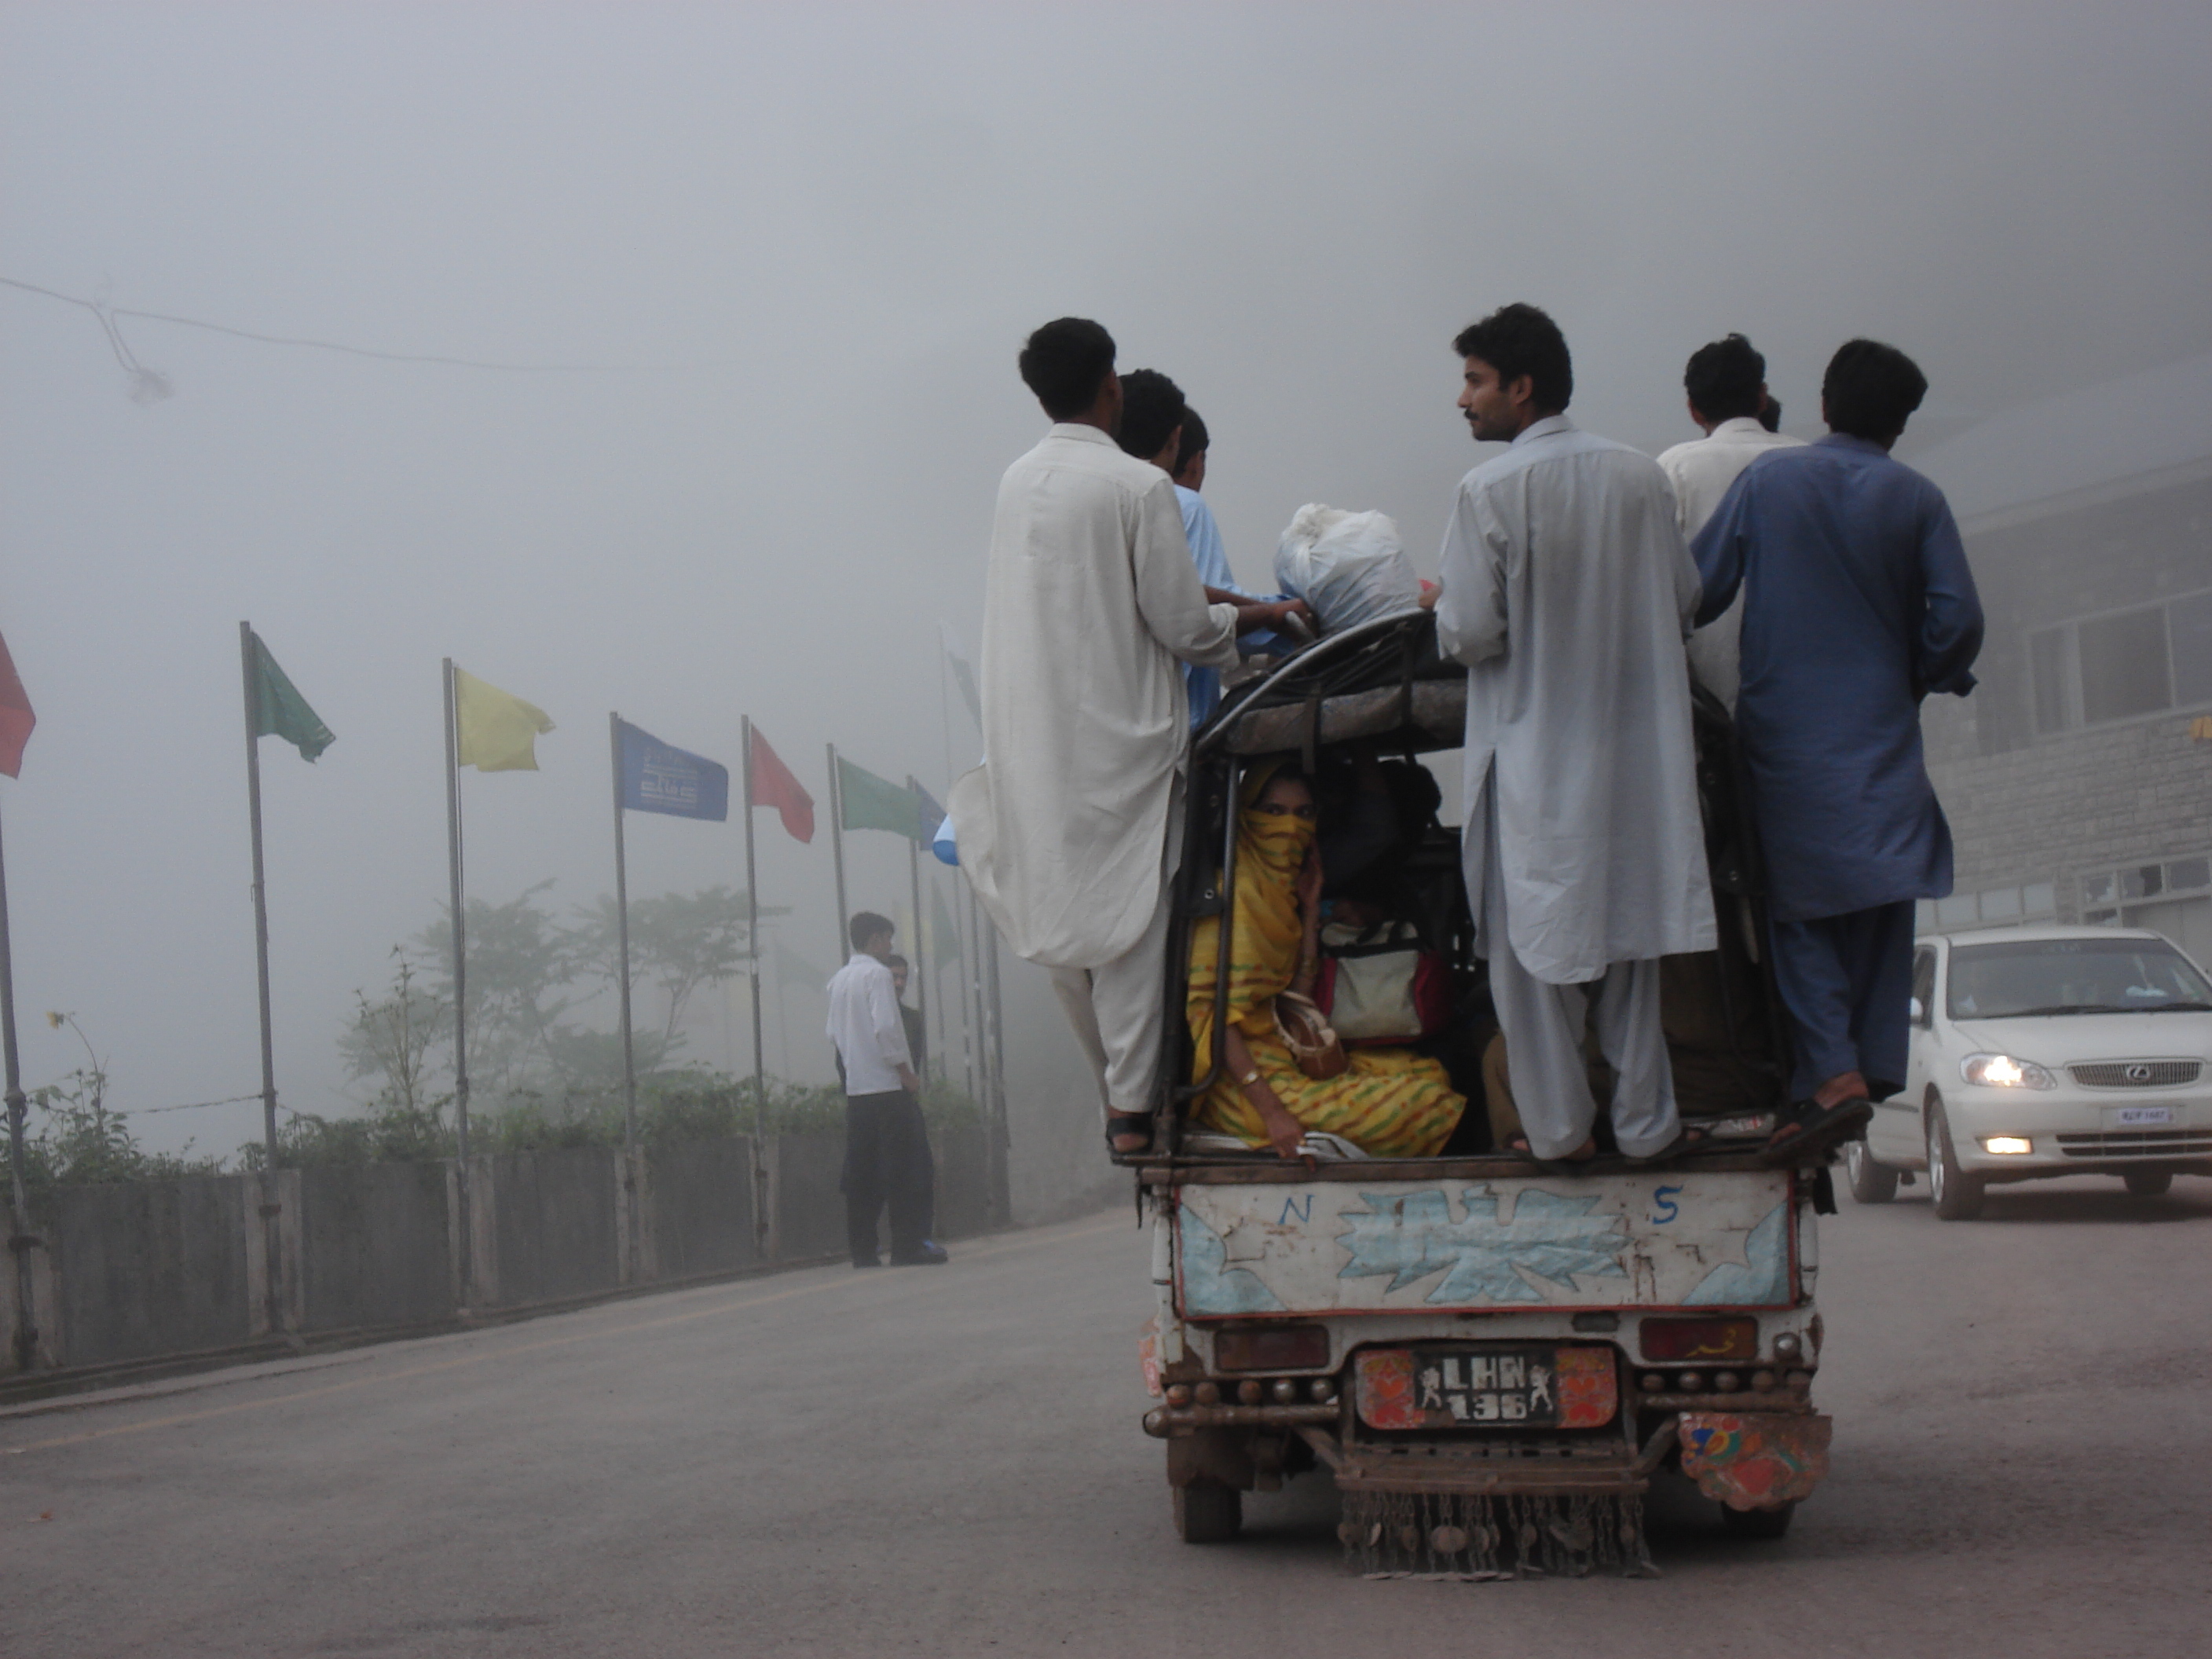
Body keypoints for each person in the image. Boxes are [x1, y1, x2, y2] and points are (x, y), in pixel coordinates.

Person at [949, 318, 1303, 1155]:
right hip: (1124, 743)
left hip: (1031, 740)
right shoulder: (1137, 490)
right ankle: (1130, 1111)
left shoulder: (1014, 481)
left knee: (1060, 915)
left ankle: (1113, 1091)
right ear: (1109, 385)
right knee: (1136, 927)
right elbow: (1182, 624)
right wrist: (1247, 640)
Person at [1434, 302, 1717, 1167]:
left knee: (1531, 971)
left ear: (1521, 388)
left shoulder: (1488, 490)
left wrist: (1436, 604)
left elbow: (1469, 634)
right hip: (1637, 768)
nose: (1463, 400)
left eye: (1475, 381)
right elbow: (1683, 602)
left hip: (1537, 767)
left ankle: (1558, 1134)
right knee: (1629, 960)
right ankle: (1645, 1127)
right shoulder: (1639, 477)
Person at [1692, 338, 1983, 1161]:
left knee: (1797, 912)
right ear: (1899, 423)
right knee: (1881, 902)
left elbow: (1697, 588)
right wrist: (1922, 672)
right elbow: (1957, 619)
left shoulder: (1770, 482)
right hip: (1882, 736)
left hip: (1786, 737)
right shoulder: (1915, 498)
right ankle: (1870, 1068)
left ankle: (1828, 1077)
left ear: (1822, 404)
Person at [1187, 763, 1464, 1158]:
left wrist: (1311, 909)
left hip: (1283, 1055)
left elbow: (1293, 1005)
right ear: (1246, 815)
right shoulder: (1233, 894)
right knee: (1424, 1102)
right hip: (1243, 1089)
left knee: (1427, 1071)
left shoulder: (1280, 894)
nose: (1290, 827)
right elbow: (1211, 1020)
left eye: (1304, 814)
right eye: (1274, 812)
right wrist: (1273, 1115)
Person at [1114, 370, 1292, 727]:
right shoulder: (1183, 504)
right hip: (1175, 721)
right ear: (1190, 455)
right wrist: (1286, 616)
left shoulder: (1106, 501)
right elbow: (1205, 605)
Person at [1656, 334, 1806, 710]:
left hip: (1710, 703)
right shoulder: (1814, 463)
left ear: (1694, 410)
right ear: (1762, 397)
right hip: (1807, 701)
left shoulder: (1675, 469)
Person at [826, 913, 946, 1267]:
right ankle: (907, 1246)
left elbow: (832, 1034)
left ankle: (863, 1251)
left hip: (857, 1091)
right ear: (876, 940)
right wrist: (906, 1073)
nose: (890, 946)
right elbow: (887, 1030)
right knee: (904, 1169)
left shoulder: (838, 981)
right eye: (888, 939)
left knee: (862, 1171)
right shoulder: (876, 975)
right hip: (888, 1088)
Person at [886, 953, 928, 1081]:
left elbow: (915, 1059)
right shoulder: (868, 1017)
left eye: (903, 978)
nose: (899, 983)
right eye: (894, 977)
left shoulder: (913, 1018)